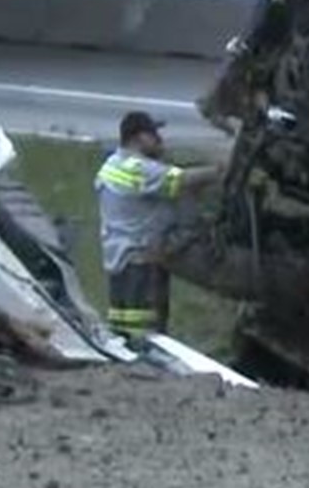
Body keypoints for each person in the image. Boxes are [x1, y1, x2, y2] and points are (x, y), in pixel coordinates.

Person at [94, 111, 220, 340]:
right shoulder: (137, 168)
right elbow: (180, 180)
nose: (160, 140)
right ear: (138, 138)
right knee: (148, 339)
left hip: (118, 261)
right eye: (154, 135)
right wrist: (220, 171)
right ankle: (148, 371)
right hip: (140, 262)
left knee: (122, 333)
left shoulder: (112, 164)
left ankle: (127, 370)